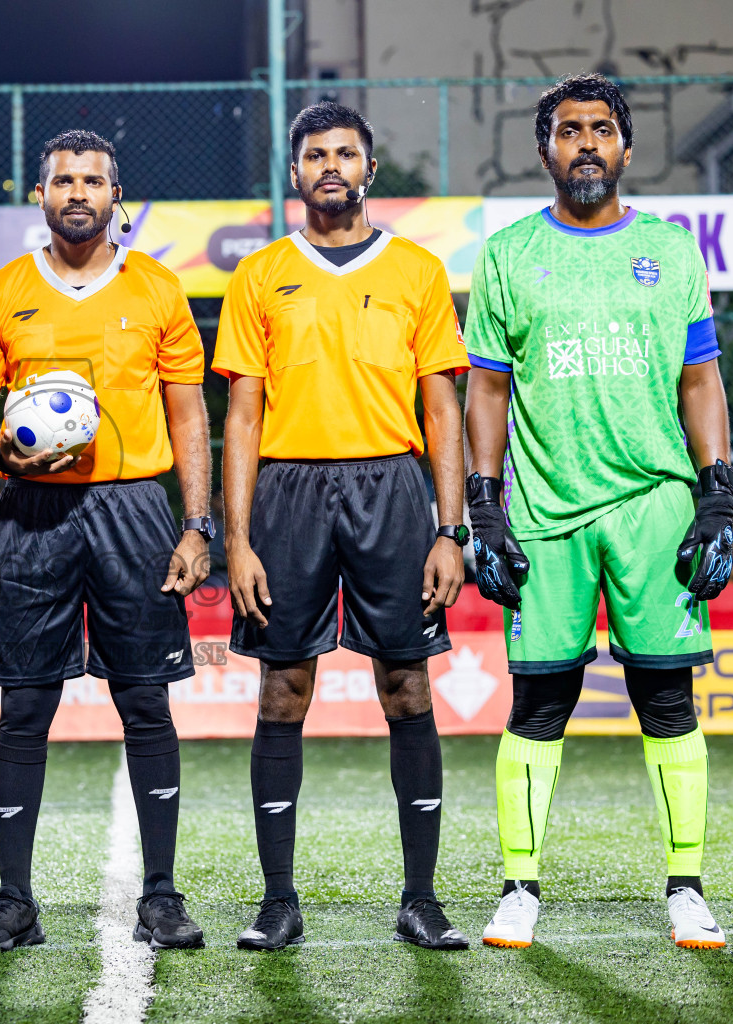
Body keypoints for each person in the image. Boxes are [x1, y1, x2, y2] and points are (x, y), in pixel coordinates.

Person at [463, 73, 733, 950]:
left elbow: (701, 380)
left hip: (656, 504)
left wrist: (716, 490)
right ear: (544, 149)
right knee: (539, 702)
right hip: (546, 509)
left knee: (667, 698)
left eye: (602, 129)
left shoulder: (672, 248)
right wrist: (483, 504)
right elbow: (487, 389)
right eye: (569, 130)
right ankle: (519, 889)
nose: (586, 143)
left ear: (625, 146)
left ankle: (686, 889)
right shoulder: (507, 254)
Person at [214, 102, 471, 952]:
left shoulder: (419, 272)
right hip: (287, 493)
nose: (331, 166)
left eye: (346, 154)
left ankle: (421, 898)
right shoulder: (259, 275)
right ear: (296, 175)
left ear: (369, 169)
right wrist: (238, 537)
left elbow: (443, 405)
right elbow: (241, 416)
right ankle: (278, 901)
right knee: (283, 687)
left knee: (408, 686)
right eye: (316, 155)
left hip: (392, 489)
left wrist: (451, 528)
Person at [0, 130, 212, 953]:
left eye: (93, 181)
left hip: (134, 507)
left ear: (114, 196)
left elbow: (189, 416)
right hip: (32, 508)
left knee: (145, 701)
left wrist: (197, 524)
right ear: (39, 195)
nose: (77, 192)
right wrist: (2, 449)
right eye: (62, 179)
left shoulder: (160, 290)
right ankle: (14, 901)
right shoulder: (2, 294)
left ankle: (162, 896)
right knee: (25, 707)